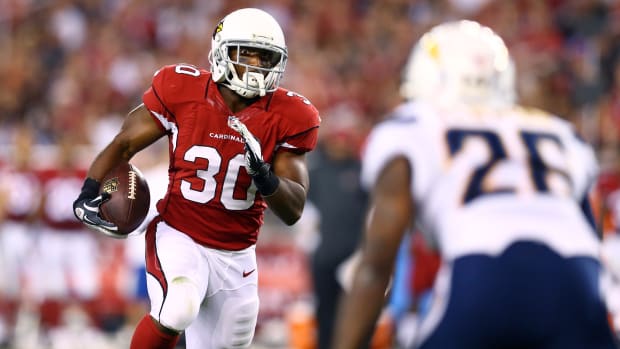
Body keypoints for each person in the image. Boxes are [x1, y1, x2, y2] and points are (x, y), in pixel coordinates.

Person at [331, 20, 618, 349]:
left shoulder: (412, 126)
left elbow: (376, 264)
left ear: (426, 79)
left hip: (483, 271)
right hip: (576, 276)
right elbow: (589, 233)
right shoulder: (558, 132)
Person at [72, 7, 321, 349]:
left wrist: (265, 178)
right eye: (245, 53)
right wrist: (89, 189)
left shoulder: (290, 115)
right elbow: (125, 143)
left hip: (237, 253)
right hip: (180, 233)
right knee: (178, 307)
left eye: (264, 57)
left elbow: (293, 210)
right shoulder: (183, 89)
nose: (255, 66)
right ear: (221, 51)